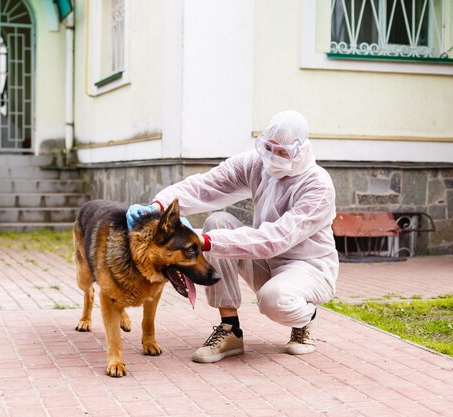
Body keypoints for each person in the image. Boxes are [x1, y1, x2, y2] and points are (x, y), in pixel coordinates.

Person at [126, 110, 338, 363]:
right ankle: (230, 329)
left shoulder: (317, 186)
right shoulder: (257, 164)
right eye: (268, 148)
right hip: (266, 260)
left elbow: (276, 238)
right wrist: (160, 205)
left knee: (274, 299)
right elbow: (206, 185)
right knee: (217, 222)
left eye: (282, 152)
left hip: (307, 267)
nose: (272, 157)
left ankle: (306, 317)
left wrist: (204, 241)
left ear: (301, 151)